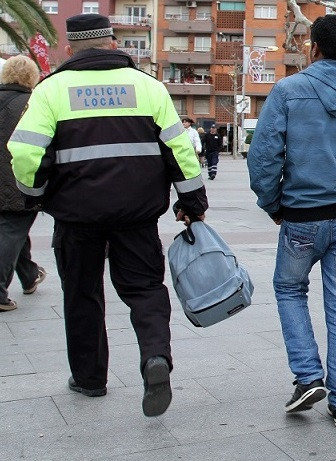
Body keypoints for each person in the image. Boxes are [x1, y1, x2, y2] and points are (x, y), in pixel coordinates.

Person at [8, 14, 208, 417]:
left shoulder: (50, 90)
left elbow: (27, 152)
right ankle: (155, 359)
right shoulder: (149, 88)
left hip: (76, 216)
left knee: (82, 293)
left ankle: (89, 378)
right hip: (136, 214)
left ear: (69, 49)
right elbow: (181, 153)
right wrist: (192, 202)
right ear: (114, 44)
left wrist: (35, 196)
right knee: (145, 289)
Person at [247, 14, 336, 428]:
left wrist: (273, 203)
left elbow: (263, 157)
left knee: (289, 288)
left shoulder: (289, 91)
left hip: (302, 217)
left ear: (313, 47)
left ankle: (309, 376)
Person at [0, 56, 46, 312]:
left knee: (14, 231)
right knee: (12, 230)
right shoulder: (31, 104)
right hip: (16, 180)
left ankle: (29, 275)